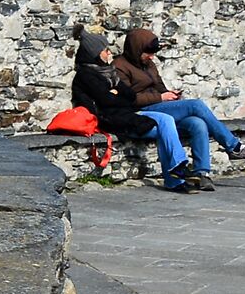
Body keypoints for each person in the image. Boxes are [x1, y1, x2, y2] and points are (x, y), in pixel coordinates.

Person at [70, 27, 204, 191]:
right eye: (105, 50)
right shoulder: (86, 75)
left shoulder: (109, 72)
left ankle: (177, 171)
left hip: (125, 115)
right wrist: (117, 95)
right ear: (95, 53)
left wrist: (116, 94)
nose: (109, 53)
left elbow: (130, 95)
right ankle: (176, 174)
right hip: (111, 120)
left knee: (166, 121)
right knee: (165, 124)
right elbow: (107, 101)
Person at [114, 26, 245, 180]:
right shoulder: (119, 66)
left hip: (158, 105)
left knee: (197, 123)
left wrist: (170, 95)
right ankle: (234, 146)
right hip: (140, 111)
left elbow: (159, 87)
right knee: (195, 105)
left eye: (153, 53)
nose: (151, 57)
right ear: (135, 49)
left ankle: (202, 173)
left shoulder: (149, 65)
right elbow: (128, 98)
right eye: (148, 53)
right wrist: (161, 98)